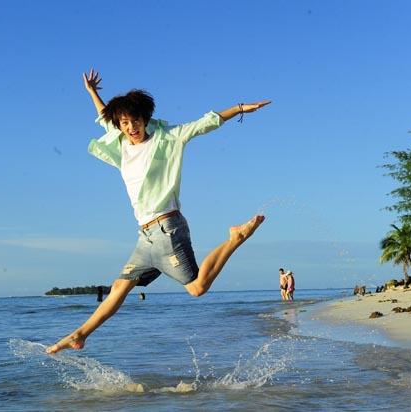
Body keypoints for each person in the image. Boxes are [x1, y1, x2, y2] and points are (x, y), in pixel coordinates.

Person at [46, 69, 270, 354]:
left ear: (145, 119)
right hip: (145, 237)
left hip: (167, 230)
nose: (131, 127)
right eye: (125, 123)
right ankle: (79, 335)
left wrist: (238, 109)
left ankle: (235, 239)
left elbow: (203, 124)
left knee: (197, 288)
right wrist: (92, 92)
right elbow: (106, 117)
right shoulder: (120, 142)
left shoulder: (167, 139)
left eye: (135, 121)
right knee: (120, 286)